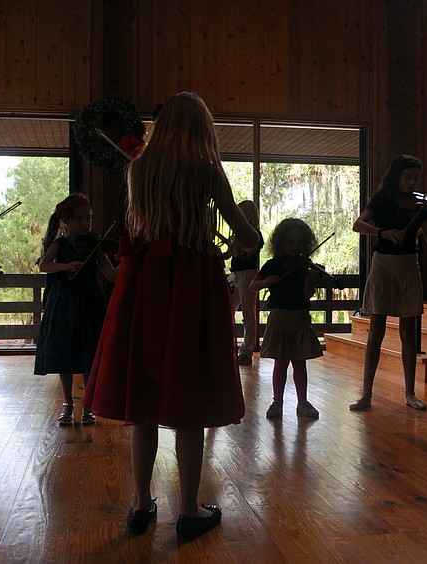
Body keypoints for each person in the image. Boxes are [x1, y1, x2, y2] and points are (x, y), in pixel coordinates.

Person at [83, 92, 258, 541]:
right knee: (189, 397)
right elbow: (248, 238)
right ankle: (188, 510)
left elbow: (138, 223)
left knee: (143, 399)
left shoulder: (139, 166)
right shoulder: (207, 169)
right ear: (202, 128)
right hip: (191, 286)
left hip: (142, 283)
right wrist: (242, 238)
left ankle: (141, 506)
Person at [349, 155, 427, 411]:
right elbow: (357, 225)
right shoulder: (381, 199)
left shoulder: (421, 206)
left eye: (416, 178)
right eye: (408, 177)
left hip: (408, 266)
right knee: (376, 332)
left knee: (408, 334)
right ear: (396, 176)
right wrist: (382, 232)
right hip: (382, 265)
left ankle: (410, 394)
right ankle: (366, 394)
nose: (413, 183)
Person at [34, 193, 116, 426]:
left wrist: (128, 263)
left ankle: (88, 406)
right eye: (80, 219)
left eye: (88, 219)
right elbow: (44, 265)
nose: (85, 224)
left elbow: (111, 274)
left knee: (89, 354)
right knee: (65, 353)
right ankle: (68, 403)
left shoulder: (95, 245)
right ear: (66, 221)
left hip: (90, 303)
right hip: (64, 304)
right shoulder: (58, 244)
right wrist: (65, 266)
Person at [250, 218, 323, 420]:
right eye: (290, 241)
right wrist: (265, 281)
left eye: (299, 243)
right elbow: (252, 286)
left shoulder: (305, 266)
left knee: (300, 362)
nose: (295, 246)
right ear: (281, 242)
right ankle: (277, 402)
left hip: (300, 318)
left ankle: (302, 402)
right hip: (279, 318)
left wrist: (309, 280)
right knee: (280, 363)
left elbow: (307, 294)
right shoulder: (273, 264)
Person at [224, 200, 264, 365]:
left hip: (248, 275)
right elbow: (229, 255)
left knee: (248, 314)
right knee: (228, 311)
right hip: (236, 275)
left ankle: (246, 351)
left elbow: (244, 254)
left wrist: (235, 246)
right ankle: (227, 346)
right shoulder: (238, 235)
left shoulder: (255, 235)